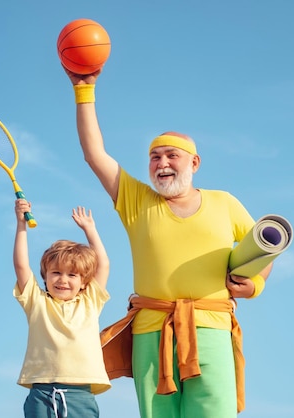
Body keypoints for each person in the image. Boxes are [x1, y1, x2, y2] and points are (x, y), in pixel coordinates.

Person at [63, 68, 273, 418]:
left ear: (194, 162)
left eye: (171, 155)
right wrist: (85, 90)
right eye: (155, 156)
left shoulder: (226, 203)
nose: (162, 163)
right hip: (151, 331)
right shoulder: (136, 201)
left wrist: (254, 286)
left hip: (211, 328)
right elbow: (94, 154)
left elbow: (266, 251)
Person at [12, 200, 111, 418]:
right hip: (42, 393)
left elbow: (102, 264)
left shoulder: (90, 302)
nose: (63, 280)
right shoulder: (36, 302)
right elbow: (21, 265)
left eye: (72, 275)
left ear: (84, 281)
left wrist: (90, 230)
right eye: (56, 272)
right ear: (45, 277)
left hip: (80, 395)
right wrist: (21, 224)